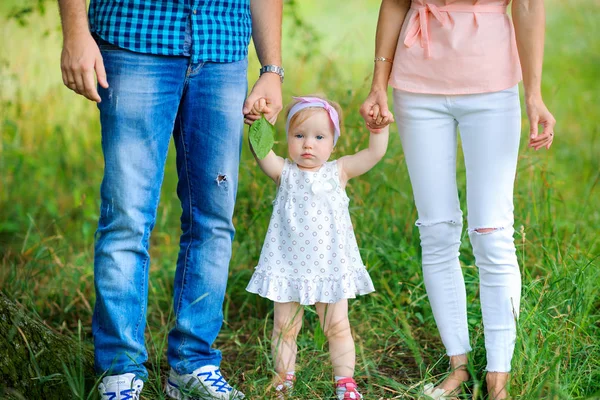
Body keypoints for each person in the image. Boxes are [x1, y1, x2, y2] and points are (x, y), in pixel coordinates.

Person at [57, 0, 283, 399]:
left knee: (213, 219)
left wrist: (271, 69)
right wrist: (75, 31)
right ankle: (119, 371)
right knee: (126, 216)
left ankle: (192, 364)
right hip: (135, 36)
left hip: (222, 47)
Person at [360, 0, 556, 399]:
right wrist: (378, 83)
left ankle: (498, 375)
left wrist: (534, 94)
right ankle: (458, 365)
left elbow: (530, 6)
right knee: (436, 229)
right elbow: (396, 3)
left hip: (492, 86)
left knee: (492, 231)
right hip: (417, 88)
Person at [244, 95, 389, 399]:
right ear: (287, 139)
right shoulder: (283, 172)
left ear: (333, 143)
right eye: (299, 136)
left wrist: (378, 130)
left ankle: (345, 382)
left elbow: (374, 154)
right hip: (287, 267)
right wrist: (260, 123)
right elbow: (260, 150)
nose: (308, 144)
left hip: (329, 267)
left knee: (337, 327)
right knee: (284, 329)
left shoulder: (339, 171)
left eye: (319, 137)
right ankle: (283, 378)